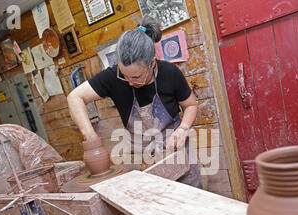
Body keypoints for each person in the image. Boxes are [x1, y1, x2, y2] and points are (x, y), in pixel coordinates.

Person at [67, 16, 202, 189]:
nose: (130, 82)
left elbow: (191, 105)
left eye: (136, 77)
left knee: (190, 202)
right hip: (144, 158)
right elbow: (74, 97)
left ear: (152, 63)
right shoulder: (113, 76)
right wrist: (90, 136)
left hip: (175, 150)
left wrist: (183, 129)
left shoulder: (169, 73)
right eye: (125, 75)